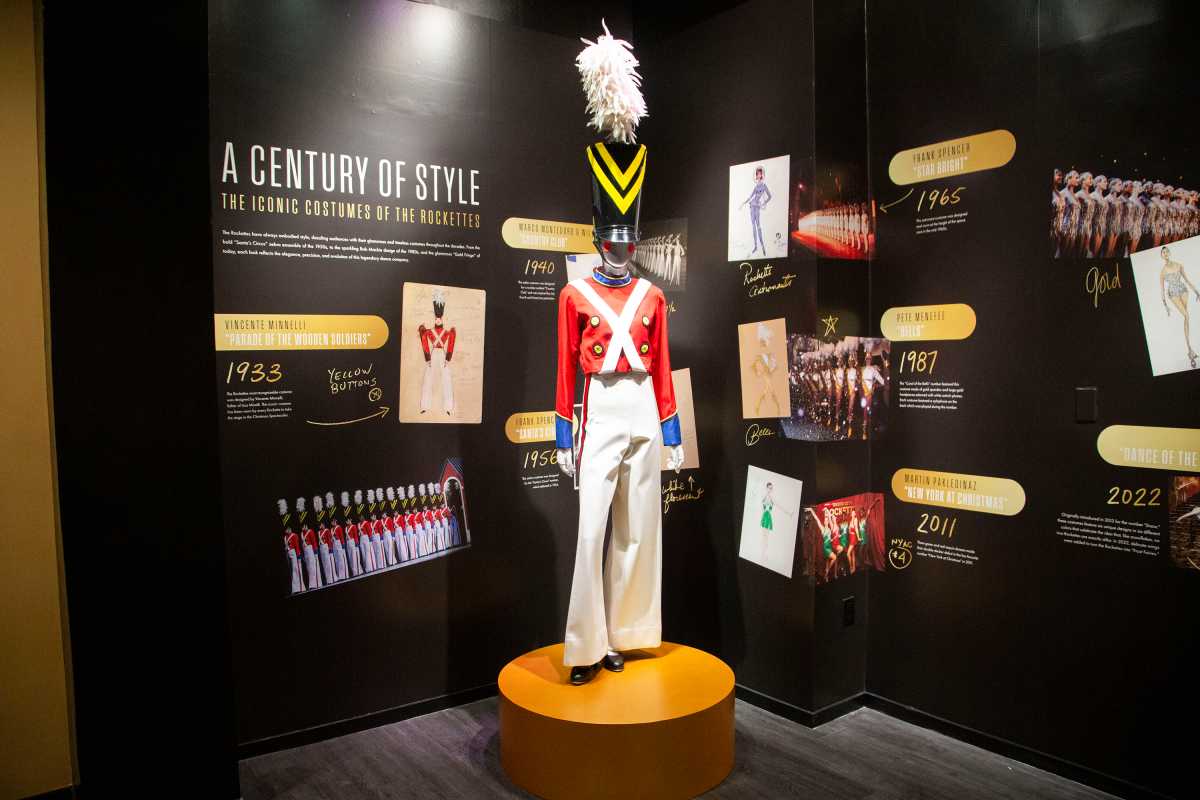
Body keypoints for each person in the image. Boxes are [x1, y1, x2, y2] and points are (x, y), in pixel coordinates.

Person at [1159, 246, 1200, 368]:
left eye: (1167, 252)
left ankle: (1190, 352)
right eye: (1163, 253)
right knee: (1186, 316)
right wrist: (1165, 304)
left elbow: (1186, 280)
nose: (1165, 254)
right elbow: (1162, 290)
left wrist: (1196, 291)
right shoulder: (1162, 272)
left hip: (1183, 290)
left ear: (1169, 253)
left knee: (1186, 318)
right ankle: (1190, 350)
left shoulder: (1179, 265)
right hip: (1173, 294)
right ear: (1162, 256)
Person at [418, 289, 457, 415]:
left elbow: (451, 342)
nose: (438, 320)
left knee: (446, 378)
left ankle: (448, 407)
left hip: (442, 355)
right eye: (436, 318)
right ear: (435, 318)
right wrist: (428, 358)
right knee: (428, 376)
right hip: (434, 354)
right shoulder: (429, 331)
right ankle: (425, 406)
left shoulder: (446, 332)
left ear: (442, 318)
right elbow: (424, 340)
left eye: (439, 318)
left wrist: (448, 358)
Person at [739, 165, 773, 257]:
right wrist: (744, 203)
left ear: (762, 175)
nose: (758, 175)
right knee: (753, 227)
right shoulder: (756, 186)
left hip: (757, 207)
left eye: (760, 174)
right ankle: (755, 246)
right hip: (751, 206)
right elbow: (751, 196)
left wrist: (763, 203)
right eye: (757, 174)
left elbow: (770, 196)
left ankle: (762, 246)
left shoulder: (764, 185)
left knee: (758, 226)